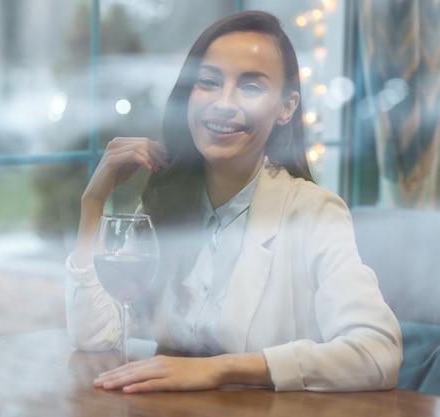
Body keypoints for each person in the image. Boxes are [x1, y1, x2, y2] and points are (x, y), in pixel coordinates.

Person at [65, 10, 402, 393]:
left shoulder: (314, 214)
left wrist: (223, 369)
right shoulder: (166, 205)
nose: (224, 103)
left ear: (286, 107)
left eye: (252, 88)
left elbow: (377, 353)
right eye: (208, 82)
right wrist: (92, 203)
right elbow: (95, 338)